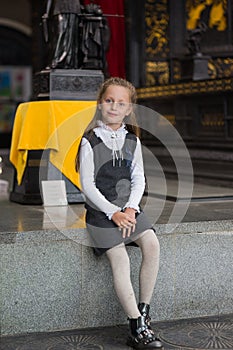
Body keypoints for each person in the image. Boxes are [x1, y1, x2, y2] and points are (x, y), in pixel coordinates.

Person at [76, 77, 162, 349]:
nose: (114, 107)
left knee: (152, 244)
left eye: (120, 103)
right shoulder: (90, 140)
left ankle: (144, 310)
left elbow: (139, 178)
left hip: (128, 209)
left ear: (128, 109)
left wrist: (131, 208)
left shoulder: (132, 140)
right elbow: (87, 186)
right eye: (109, 101)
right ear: (101, 105)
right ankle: (136, 326)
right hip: (102, 212)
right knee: (121, 258)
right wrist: (113, 212)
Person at [42, 0, 82, 69]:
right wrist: (47, 11)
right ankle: (57, 60)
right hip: (60, 8)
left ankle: (69, 62)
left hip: (73, 8)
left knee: (71, 37)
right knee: (60, 34)